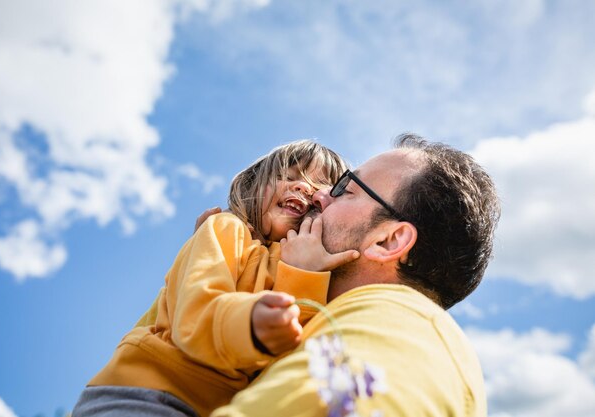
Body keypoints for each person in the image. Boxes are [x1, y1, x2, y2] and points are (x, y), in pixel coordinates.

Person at [211, 134, 501, 417]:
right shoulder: (341, 322)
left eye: (345, 189)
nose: (319, 195)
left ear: (388, 241)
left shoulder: (396, 330)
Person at [72, 140, 359, 417]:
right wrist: (250, 323)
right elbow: (195, 314)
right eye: (288, 175)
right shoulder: (227, 228)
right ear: (254, 187)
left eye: (320, 186)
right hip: (149, 390)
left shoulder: (307, 264)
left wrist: (304, 274)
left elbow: (286, 357)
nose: (303, 186)